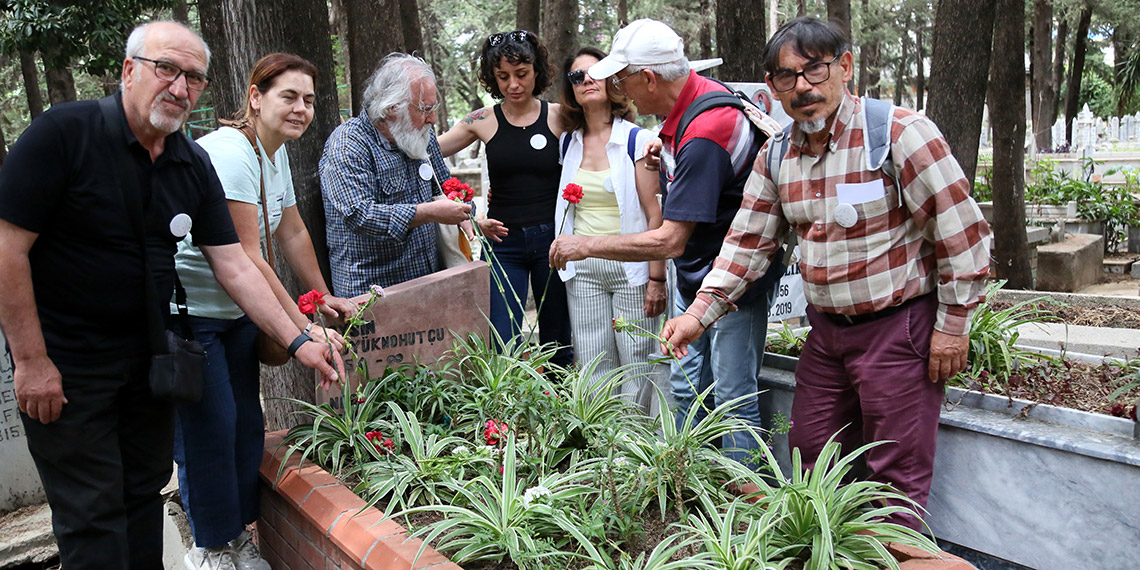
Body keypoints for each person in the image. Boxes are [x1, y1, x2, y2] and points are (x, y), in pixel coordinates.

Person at [0, 21, 342, 569]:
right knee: (93, 518)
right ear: (129, 70)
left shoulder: (190, 163)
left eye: (194, 78)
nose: (179, 89)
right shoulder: (64, 134)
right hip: (67, 366)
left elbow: (234, 264)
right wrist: (32, 360)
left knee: (143, 498)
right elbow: (7, 248)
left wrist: (300, 341)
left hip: (150, 361)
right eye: (167, 70)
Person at [660, 17, 992, 529]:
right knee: (810, 454)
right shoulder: (777, 155)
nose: (803, 88)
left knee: (895, 473)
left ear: (845, 67)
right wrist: (698, 315)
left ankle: (895, 553)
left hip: (897, 330)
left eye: (813, 71)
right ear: (772, 87)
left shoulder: (898, 134)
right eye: (786, 78)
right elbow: (747, 244)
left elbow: (963, 233)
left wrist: (952, 326)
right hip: (828, 334)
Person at [549, 19, 783, 467]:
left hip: (732, 279)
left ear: (649, 78)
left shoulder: (706, 131)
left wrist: (586, 245)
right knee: (686, 385)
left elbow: (671, 240)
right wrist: (668, 157)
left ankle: (745, 505)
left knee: (732, 397)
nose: (623, 90)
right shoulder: (690, 106)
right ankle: (690, 482)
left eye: (625, 80)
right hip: (696, 274)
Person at [173, 53, 357, 570]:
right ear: (255, 97)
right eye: (288, 96)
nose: (301, 108)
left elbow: (293, 232)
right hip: (192, 317)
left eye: (309, 100)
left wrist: (322, 299)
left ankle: (235, 539)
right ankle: (211, 549)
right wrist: (303, 329)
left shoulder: (272, 155)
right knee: (210, 429)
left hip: (236, 316)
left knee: (243, 426)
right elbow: (248, 258)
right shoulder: (232, 152)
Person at [438, 30, 573, 368]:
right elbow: (427, 154)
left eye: (521, 74)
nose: (513, 84)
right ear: (492, 77)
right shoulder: (481, 121)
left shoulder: (559, 116)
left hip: (552, 242)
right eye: (503, 77)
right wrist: (468, 216)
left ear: (536, 71)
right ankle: (507, 417)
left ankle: (558, 410)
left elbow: (603, 139)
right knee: (502, 339)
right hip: (503, 243)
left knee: (558, 337)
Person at [555, 46, 668, 415]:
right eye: (577, 76)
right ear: (571, 89)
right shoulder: (566, 143)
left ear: (612, 80)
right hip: (583, 269)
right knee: (592, 357)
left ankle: (632, 443)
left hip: (629, 267)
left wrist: (657, 279)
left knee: (637, 357)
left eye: (595, 72)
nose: (586, 80)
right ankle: (601, 439)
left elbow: (656, 215)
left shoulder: (637, 140)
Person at [320, 52, 471, 297]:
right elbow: (360, 215)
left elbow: (443, 188)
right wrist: (430, 212)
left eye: (434, 108)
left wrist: (466, 215)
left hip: (428, 281)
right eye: (425, 109)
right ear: (391, 108)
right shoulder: (348, 144)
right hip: (372, 295)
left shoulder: (423, 135)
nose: (432, 119)